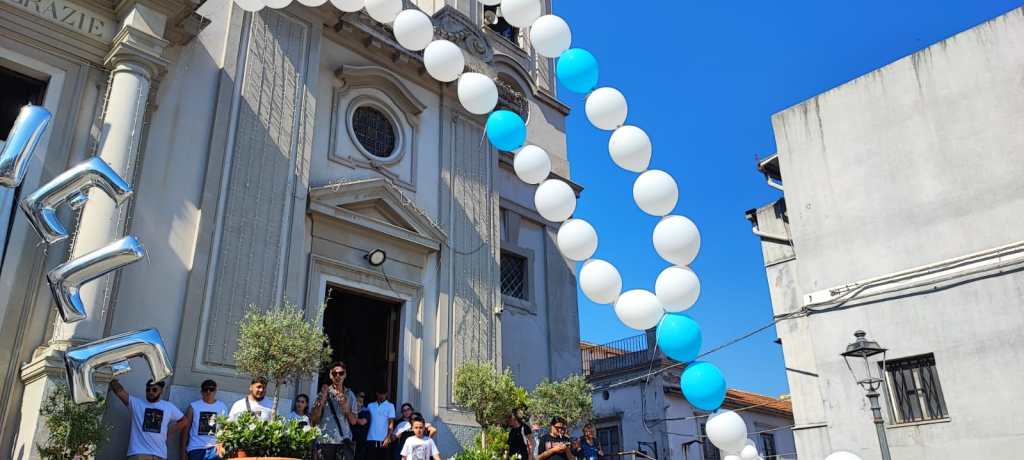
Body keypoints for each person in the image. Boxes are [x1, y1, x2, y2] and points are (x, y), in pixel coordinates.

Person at [109, 378, 187, 460]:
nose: (151, 392)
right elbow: (119, 392)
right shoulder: (137, 403)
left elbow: (184, 420)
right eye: (148, 389)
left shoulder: (169, 406)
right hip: (139, 453)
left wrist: (169, 432)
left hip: (159, 455)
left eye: (154, 389)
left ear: (161, 391)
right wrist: (112, 378)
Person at [312, 362, 361, 460]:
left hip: (343, 441)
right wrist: (321, 401)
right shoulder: (323, 393)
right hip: (325, 440)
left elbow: (354, 421)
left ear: (345, 374)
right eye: (335, 373)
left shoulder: (350, 395)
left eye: (341, 373)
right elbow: (314, 421)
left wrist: (346, 408)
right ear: (330, 375)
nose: (338, 376)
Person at [180, 379, 228, 460]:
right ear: (201, 391)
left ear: (215, 391)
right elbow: (185, 430)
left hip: (215, 449)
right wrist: (182, 453)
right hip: (196, 448)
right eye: (205, 389)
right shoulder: (193, 406)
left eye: (211, 389)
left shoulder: (222, 407)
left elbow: (225, 429)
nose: (208, 392)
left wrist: (222, 446)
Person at [365, 386, 395, 460]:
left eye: (384, 394)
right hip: (370, 438)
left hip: (383, 439)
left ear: (386, 394)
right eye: (380, 393)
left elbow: (391, 423)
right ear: (376, 394)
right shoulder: (370, 405)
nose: (382, 396)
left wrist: (388, 438)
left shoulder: (390, 406)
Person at [353, 392, 372, 460]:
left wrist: (351, 418)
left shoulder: (366, 411)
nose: (360, 398)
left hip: (361, 441)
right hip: (350, 439)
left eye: (362, 397)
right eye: (359, 396)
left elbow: (362, 422)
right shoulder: (351, 410)